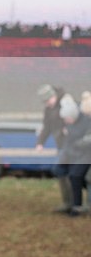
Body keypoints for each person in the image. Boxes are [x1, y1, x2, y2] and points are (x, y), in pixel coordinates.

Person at [51, 94, 91, 217]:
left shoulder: (85, 122)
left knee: (79, 176)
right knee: (62, 171)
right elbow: (68, 143)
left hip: (84, 155)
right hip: (75, 154)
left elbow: (85, 141)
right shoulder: (70, 124)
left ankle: (79, 206)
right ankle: (70, 204)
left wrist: (77, 144)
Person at [36, 84, 72, 213]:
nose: (47, 103)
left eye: (48, 100)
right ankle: (68, 203)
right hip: (61, 145)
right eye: (45, 102)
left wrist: (69, 129)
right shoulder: (48, 109)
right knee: (62, 173)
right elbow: (46, 127)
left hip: (71, 145)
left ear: (53, 96)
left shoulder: (66, 103)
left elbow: (76, 119)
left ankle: (72, 204)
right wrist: (40, 142)